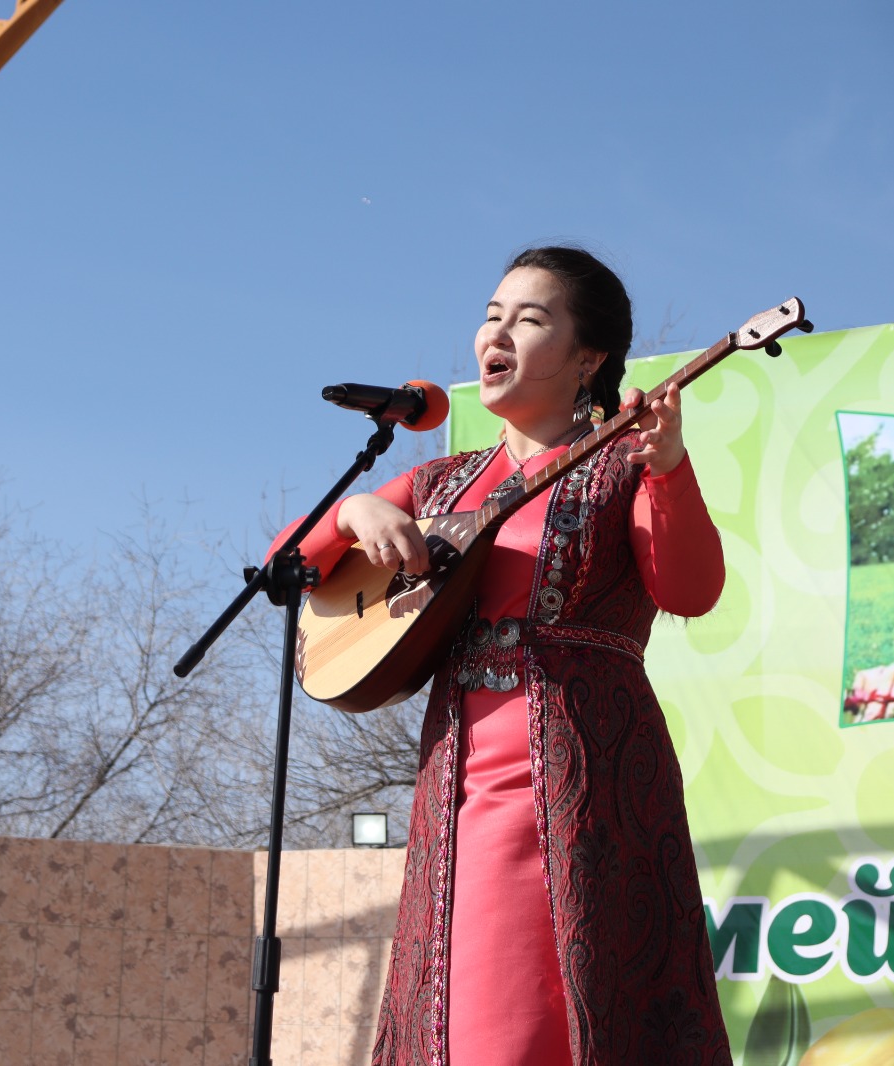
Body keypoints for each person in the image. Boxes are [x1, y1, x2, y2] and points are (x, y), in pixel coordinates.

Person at [277, 247, 732, 1064]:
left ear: (588, 357)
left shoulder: (626, 462)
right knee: (473, 1022)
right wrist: (351, 515)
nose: (498, 330)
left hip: (589, 779)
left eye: (530, 317)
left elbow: (691, 589)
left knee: (591, 1011)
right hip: (460, 787)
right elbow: (288, 565)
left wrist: (667, 467)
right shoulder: (438, 485)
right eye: (492, 314)